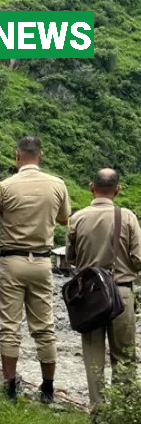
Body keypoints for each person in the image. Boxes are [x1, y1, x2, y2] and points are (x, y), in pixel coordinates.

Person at [0, 136, 71, 403]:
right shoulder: (57, 184)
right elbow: (63, 218)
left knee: (9, 326)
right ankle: (48, 388)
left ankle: (10, 387)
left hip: (11, 261)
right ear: (41, 155)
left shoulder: (5, 186)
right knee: (44, 326)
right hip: (41, 261)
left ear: (17, 156)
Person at [66, 169, 141, 410]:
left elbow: (71, 257)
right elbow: (139, 259)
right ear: (117, 190)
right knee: (125, 357)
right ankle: (124, 412)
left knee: (93, 357)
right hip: (121, 292)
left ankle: (98, 411)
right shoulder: (127, 217)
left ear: (91, 187)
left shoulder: (77, 218)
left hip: (89, 296)